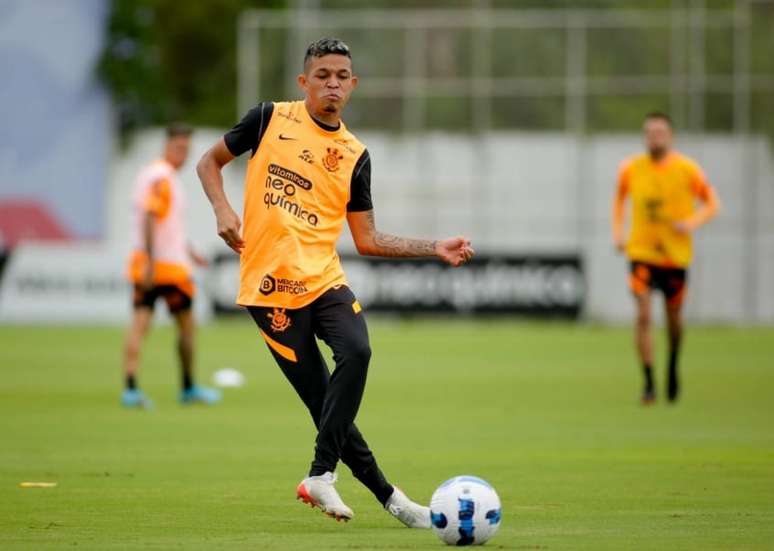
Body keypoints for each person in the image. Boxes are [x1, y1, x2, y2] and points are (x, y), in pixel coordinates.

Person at [197, 38, 474, 525]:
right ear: (304, 82)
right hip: (269, 290)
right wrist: (223, 208)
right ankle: (394, 501)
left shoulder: (355, 155)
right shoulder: (268, 119)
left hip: (324, 280)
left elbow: (366, 239)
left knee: (359, 352)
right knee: (325, 404)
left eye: (341, 76)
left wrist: (433, 246)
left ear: (353, 85)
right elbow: (209, 162)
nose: (332, 83)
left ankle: (321, 475)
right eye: (322, 74)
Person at [612, 112, 720, 405]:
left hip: (675, 256)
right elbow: (619, 200)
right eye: (650, 132)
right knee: (644, 315)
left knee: (673, 319)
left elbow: (713, 204)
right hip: (642, 253)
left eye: (660, 132)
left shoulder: (688, 170)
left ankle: (672, 364)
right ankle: (648, 382)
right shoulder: (631, 168)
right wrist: (618, 234)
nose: (654, 137)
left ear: (670, 136)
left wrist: (691, 223)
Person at [123, 123, 222, 408]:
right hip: (166, 268)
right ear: (166, 146)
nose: (183, 154)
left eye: (187, 149)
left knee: (141, 322)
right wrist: (153, 264)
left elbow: (167, 224)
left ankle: (130, 388)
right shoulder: (162, 177)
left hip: (151, 261)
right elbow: (151, 218)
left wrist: (189, 251)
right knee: (186, 328)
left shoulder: (150, 175)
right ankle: (188, 387)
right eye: (179, 148)